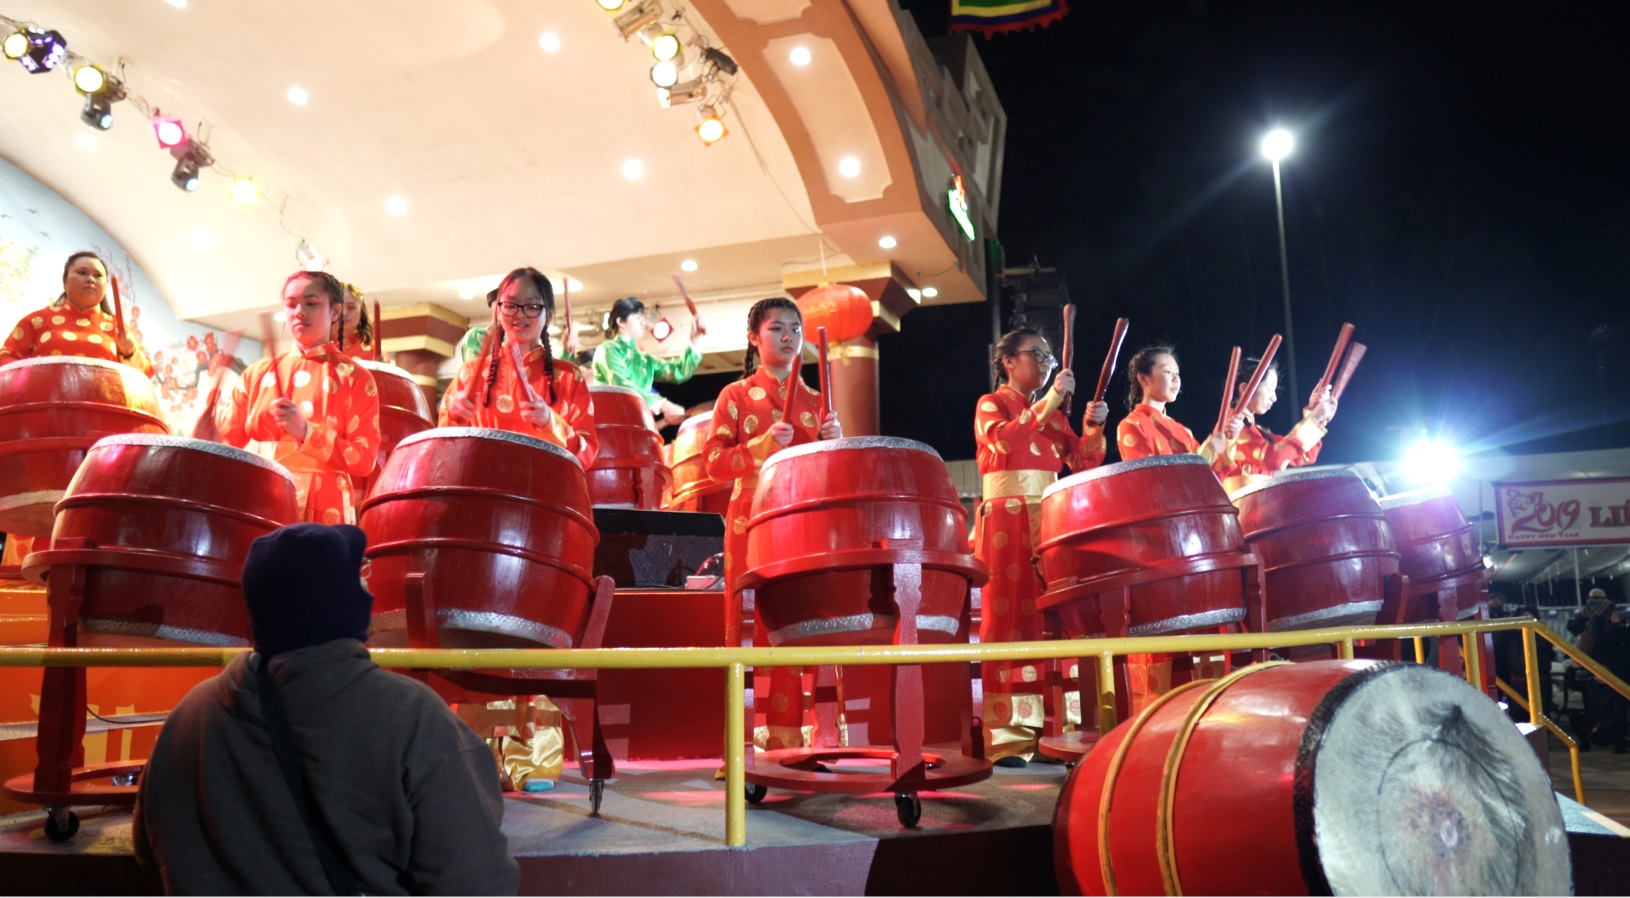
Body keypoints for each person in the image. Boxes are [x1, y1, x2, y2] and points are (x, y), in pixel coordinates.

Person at [132, 523, 519, 895]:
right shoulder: (413, 719)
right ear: (344, 602)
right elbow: (476, 883)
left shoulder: (187, 719)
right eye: (357, 578)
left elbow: (149, 852)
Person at [702, 297, 840, 749]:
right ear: (753, 337)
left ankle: (806, 740)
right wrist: (760, 446)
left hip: (802, 520)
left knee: (802, 620)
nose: (788, 337)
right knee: (748, 623)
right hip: (751, 518)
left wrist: (833, 443)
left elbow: (829, 473)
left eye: (795, 329)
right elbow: (713, 465)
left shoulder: (818, 404)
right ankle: (744, 746)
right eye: (777, 328)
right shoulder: (735, 396)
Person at [973, 327, 1108, 763]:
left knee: (1054, 615)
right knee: (1009, 614)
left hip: (1049, 518)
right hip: (1007, 522)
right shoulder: (991, 403)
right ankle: (1010, 733)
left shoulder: (1052, 414)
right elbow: (1002, 440)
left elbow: (1083, 459)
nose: (1048, 361)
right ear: (1009, 361)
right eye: (1038, 353)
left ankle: (1057, 725)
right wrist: (1052, 399)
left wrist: (1092, 425)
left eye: (1050, 355)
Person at [217, 271, 381, 525]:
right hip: (264, 495)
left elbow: (364, 457)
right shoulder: (258, 374)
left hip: (325, 505)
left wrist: (306, 432)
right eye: (291, 304)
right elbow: (226, 444)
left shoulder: (355, 378)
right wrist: (207, 436)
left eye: (311, 303)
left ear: (335, 312)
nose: (299, 311)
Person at [439, 267, 598, 470]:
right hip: (481, 492)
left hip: (543, 494)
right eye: (511, 305)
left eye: (531, 306)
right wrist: (454, 417)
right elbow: (442, 451)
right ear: (498, 310)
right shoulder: (469, 373)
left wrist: (549, 421)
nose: (519, 314)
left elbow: (587, 454)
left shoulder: (568, 376)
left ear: (548, 314)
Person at [1, 250, 153, 375]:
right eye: (82, 272)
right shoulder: (36, 320)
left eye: (98, 275)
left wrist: (129, 353)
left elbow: (145, 376)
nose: (90, 279)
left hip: (102, 410)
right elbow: (6, 362)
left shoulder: (118, 329)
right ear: (65, 281)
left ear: (106, 286)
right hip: (44, 407)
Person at [1215, 356, 1339, 494]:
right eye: (1269, 389)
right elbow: (1272, 458)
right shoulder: (1231, 426)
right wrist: (1314, 420)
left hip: (1255, 509)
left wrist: (1313, 414)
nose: (1274, 397)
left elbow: (1305, 456)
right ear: (1245, 388)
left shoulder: (1258, 432)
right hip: (1238, 511)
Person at [1116, 345, 1241, 471]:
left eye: (1177, 373)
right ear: (1143, 379)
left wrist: (1228, 442)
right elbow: (1149, 477)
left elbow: (1210, 477)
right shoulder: (1131, 425)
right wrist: (1207, 451)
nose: (1176, 379)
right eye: (1167, 372)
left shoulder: (1182, 431)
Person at [592, 296, 703, 428]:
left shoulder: (645, 359)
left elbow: (678, 371)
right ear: (621, 321)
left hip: (640, 426)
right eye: (637, 318)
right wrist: (663, 404)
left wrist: (695, 340)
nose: (643, 322)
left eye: (643, 318)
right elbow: (621, 383)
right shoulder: (607, 349)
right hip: (612, 426)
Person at [334, 282, 388, 362]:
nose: (344, 313)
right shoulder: (318, 348)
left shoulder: (373, 350)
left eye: (351, 307)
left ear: (361, 312)